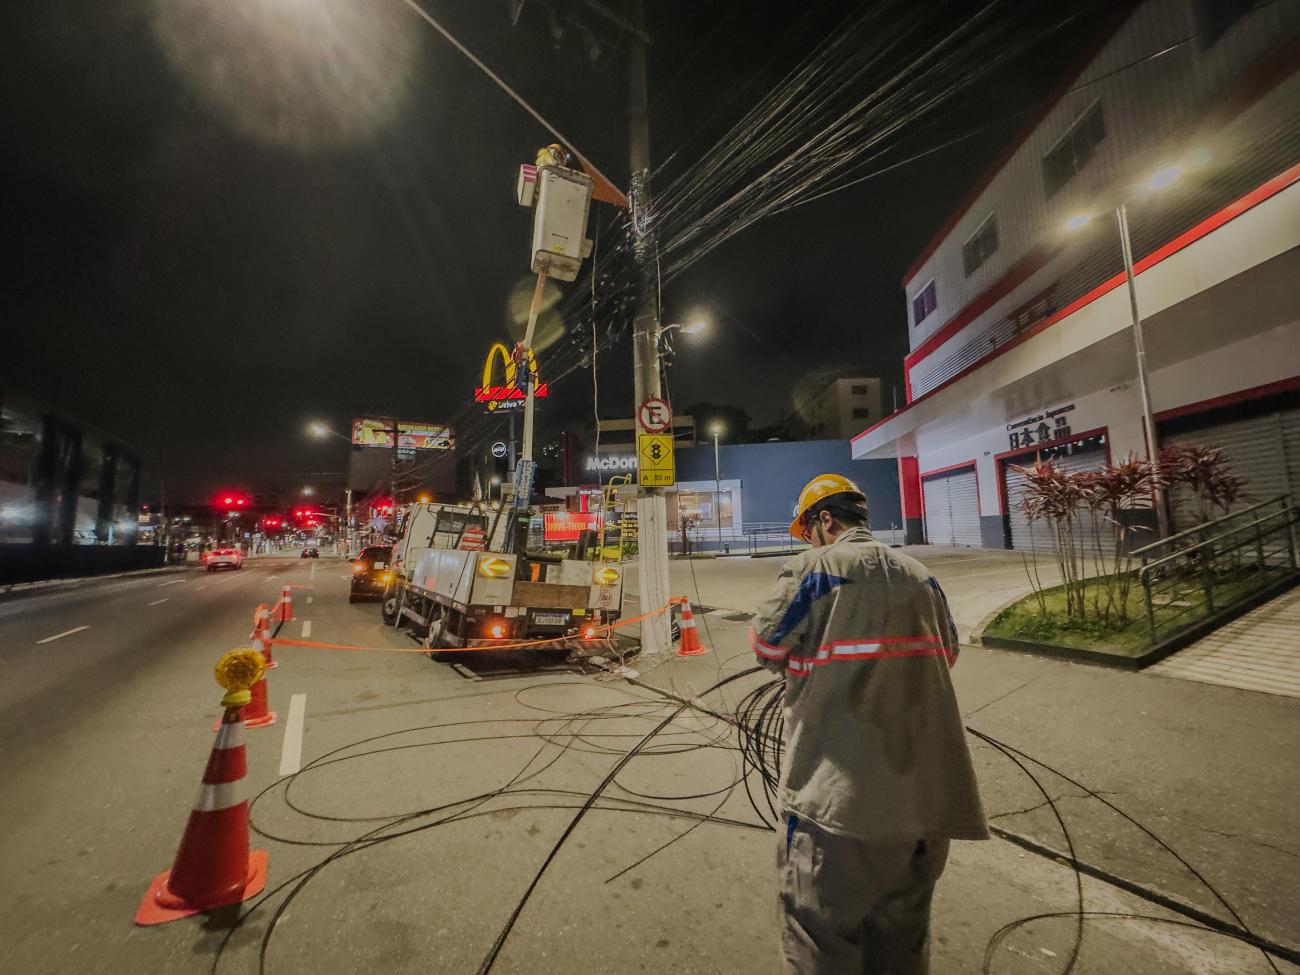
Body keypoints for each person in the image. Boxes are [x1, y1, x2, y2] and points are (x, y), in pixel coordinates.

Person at [750, 474, 988, 975]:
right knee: (902, 948)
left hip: (835, 808)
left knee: (821, 943)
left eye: (808, 529)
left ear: (824, 521)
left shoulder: (814, 570)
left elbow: (767, 646)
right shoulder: (921, 575)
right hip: (925, 807)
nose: (808, 540)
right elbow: (947, 654)